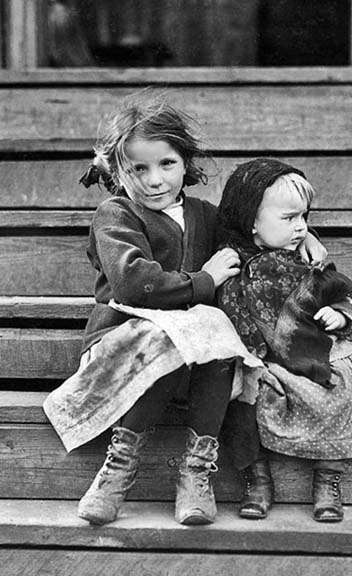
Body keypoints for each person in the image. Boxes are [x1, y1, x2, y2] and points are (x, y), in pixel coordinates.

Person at [42, 91, 326, 528]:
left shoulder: (202, 215)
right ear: (119, 170)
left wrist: (299, 235)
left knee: (214, 339)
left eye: (167, 164)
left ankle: (196, 472)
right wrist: (204, 281)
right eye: (140, 168)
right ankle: (118, 468)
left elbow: (253, 231)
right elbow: (135, 284)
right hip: (124, 348)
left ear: (185, 162)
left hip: (192, 361)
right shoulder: (115, 214)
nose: (155, 180)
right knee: (188, 332)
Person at [216, 158, 352, 523]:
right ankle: (256, 478)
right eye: (289, 219)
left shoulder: (301, 261)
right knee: (236, 394)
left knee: (337, 387)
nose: (301, 227)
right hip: (261, 360)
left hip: (316, 355)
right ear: (250, 219)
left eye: (305, 218)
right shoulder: (230, 262)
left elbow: (340, 290)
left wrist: (341, 313)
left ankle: (328, 478)